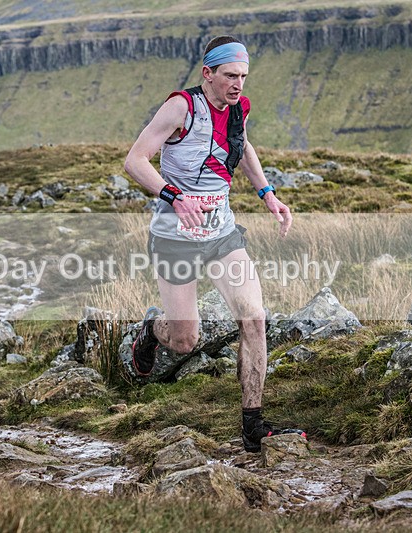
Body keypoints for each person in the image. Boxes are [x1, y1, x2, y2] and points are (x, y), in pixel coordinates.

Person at [124, 36, 305, 453]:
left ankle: (252, 424)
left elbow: (241, 149)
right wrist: (174, 195)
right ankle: (151, 333)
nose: (238, 84)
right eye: (229, 76)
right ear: (208, 73)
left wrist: (268, 194)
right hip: (175, 238)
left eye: (243, 76)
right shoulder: (180, 108)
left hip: (221, 234)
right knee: (185, 339)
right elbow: (135, 161)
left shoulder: (238, 108)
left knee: (254, 318)